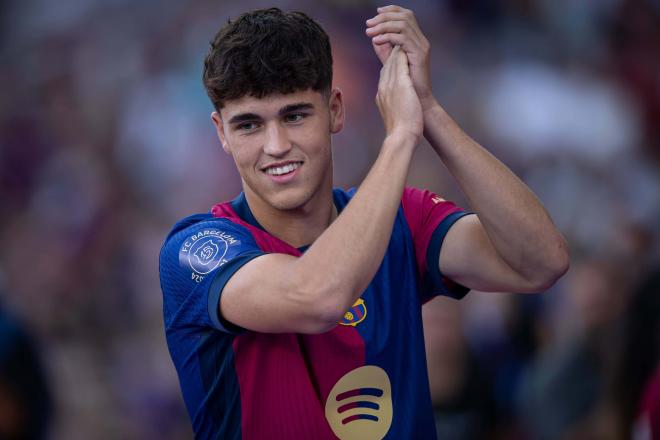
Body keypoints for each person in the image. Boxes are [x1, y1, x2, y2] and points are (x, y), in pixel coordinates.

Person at [158, 6, 569, 439]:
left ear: (335, 110)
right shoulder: (194, 249)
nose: (275, 145)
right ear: (221, 132)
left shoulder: (403, 220)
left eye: (295, 115)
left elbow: (541, 261)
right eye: (249, 125)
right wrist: (398, 139)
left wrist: (427, 110)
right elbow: (318, 297)